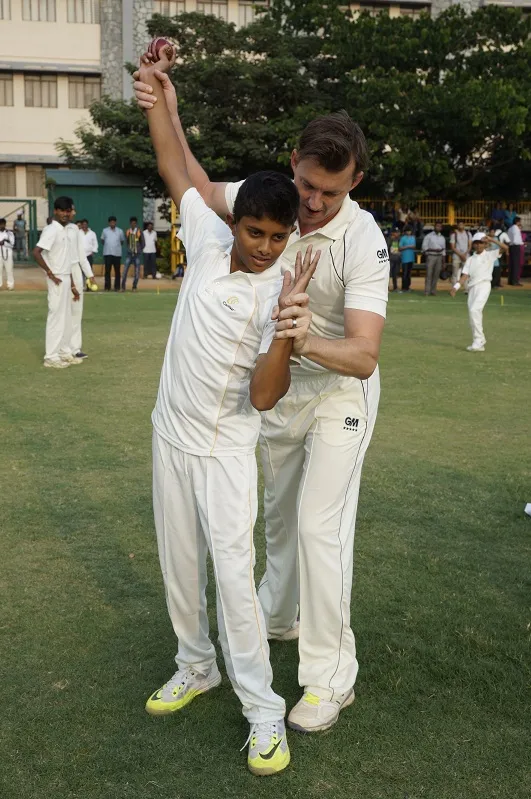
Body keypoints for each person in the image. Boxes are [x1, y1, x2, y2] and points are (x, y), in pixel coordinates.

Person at [134, 46, 388, 735]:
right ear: (293, 163)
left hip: (331, 386)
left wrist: (302, 339)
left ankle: (327, 678)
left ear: (354, 183)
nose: (311, 203)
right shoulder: (267, 201)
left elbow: (363, 356)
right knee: (275, 524)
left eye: (329, 193)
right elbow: (186, 179)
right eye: (307, 184)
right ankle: (274, 620)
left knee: (316, 525)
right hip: (265, 389)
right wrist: (167, 99)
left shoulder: (361, 240)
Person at [139, 55, 318, 776]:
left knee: (233, 580)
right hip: (169, 435)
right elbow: (171, 164)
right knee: (179, 568)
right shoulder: (210, 243)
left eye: (277, 237)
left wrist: (284, 328)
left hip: (223, 450)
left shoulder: (282, 292)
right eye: (255, 232)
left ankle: (262, 710)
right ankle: (194, 663)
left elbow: (267, 397)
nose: (264, 247)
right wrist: (162, 98)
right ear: (234, 222)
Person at [32, 197, 81, 369]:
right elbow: (36, 252)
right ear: (55, 211)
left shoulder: (66, 230)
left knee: (67, 318)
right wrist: (50, 273)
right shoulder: (51, 230)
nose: (65, 214)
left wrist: (74, 285)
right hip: (58, 279)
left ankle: (64, 352)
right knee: (56, 318)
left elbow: (67, 260)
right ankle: (51, 357)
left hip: (66, 278)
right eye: (62, 210)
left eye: (68, 211)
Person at [450, 231, 508, 351]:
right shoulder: (470, 259)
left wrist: (491, 240)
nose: (479, 245)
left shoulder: (490, 255)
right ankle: (479, 342)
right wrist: (456, 287)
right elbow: (464, 275)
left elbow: (505, 247)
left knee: (474, 310)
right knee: (473, 314)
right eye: (476, 243)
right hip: (472, 288)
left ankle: (479, 340)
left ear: (485, 244)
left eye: (481, 243)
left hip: (484, 286)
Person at [67, 206, 96, 360]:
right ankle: (62, 349)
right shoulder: (54, 229)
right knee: (62, 314)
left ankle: (75, 348)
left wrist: (89, 275)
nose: (74, 213)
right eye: (72, 210)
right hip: (62, 273)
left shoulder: (75, 231)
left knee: (76, 313)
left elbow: (81, 255)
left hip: (76, 270)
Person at [422, 222, 446, 295]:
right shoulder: (429, 236)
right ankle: (427, 291)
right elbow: (424, 247)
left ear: (441, 228)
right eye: (437, 226)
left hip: (439, 257)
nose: (438, 227)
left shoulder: (442, 238)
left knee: (436, 275)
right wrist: (434, 250)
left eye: (440, 226)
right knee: (429, 274)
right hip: (431, 256)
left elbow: (444, 250)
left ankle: (433, 290)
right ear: (434, 227)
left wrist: (444, 262)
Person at [101, 216, 124, 291]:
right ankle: (107, 287)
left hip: (117, 254)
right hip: (107, 254)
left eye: (114, 222)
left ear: (116, 222)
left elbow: (122, 241)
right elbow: (102, 240)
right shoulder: (105, 231)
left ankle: (117, 287)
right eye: (111, 222)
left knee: (117, 271)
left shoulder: (120, 231)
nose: (112, 223)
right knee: (107, 271)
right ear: (109, 223)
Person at [122, 216, 143, 291]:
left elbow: (142, 243)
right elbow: (127, 242)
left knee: (137, 272)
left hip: (137, 255)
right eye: (132, 223)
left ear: (136, 224)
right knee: (125, 271)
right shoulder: (128, 231)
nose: (133, 225)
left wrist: (138, 250)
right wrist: (130, 249)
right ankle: (123, 287)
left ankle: (134, 286)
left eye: (134, 223)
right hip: (129, 254)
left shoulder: (139, 232)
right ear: (130, 224)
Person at [449, 221, 471, 286]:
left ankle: (467, 289)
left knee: (466, 273)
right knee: (455, 273)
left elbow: (470, 245)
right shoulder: (454, 234)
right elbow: (452, 247)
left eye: (462, 224)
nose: (461, 226)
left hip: (466, 255)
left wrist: (465, 254)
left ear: (464, 225)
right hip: (456, 256)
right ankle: (454, 288)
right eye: (459, 225)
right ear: (457, 226)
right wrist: (461, 255)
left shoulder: (468, 234)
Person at [507, 216, 524, 286]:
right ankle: (515, 281)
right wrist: (522, 243)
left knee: (512, 263)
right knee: (516, 264)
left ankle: (511, 280)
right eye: (520, 221)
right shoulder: (516, 228)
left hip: (511, 246)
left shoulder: (510, 228)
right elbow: (517, 240)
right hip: (516, 246)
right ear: (517, 222)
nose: (520, 223)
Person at [399, 225, 416, 292]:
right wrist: (408, 246)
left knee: (409, 274)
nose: (409, 232)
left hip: (411, 258)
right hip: (405, 258)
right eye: (407, 231)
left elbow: (414, 246)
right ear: (405, 232)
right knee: (404, 273)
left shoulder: (413, 238)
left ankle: (408, 287)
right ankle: (403, 288)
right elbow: (400, 248)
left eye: (409, 231)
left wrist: (406, 247)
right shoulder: (403, 238)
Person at [0, 218, 15, 291]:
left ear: (5, 224)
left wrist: (4, 243)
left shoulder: (9, 233)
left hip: (7, 254)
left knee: (9, 270)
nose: (1, 226)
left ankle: (10, 285)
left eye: (2, 224)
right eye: (0, 224)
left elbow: (12, 244)